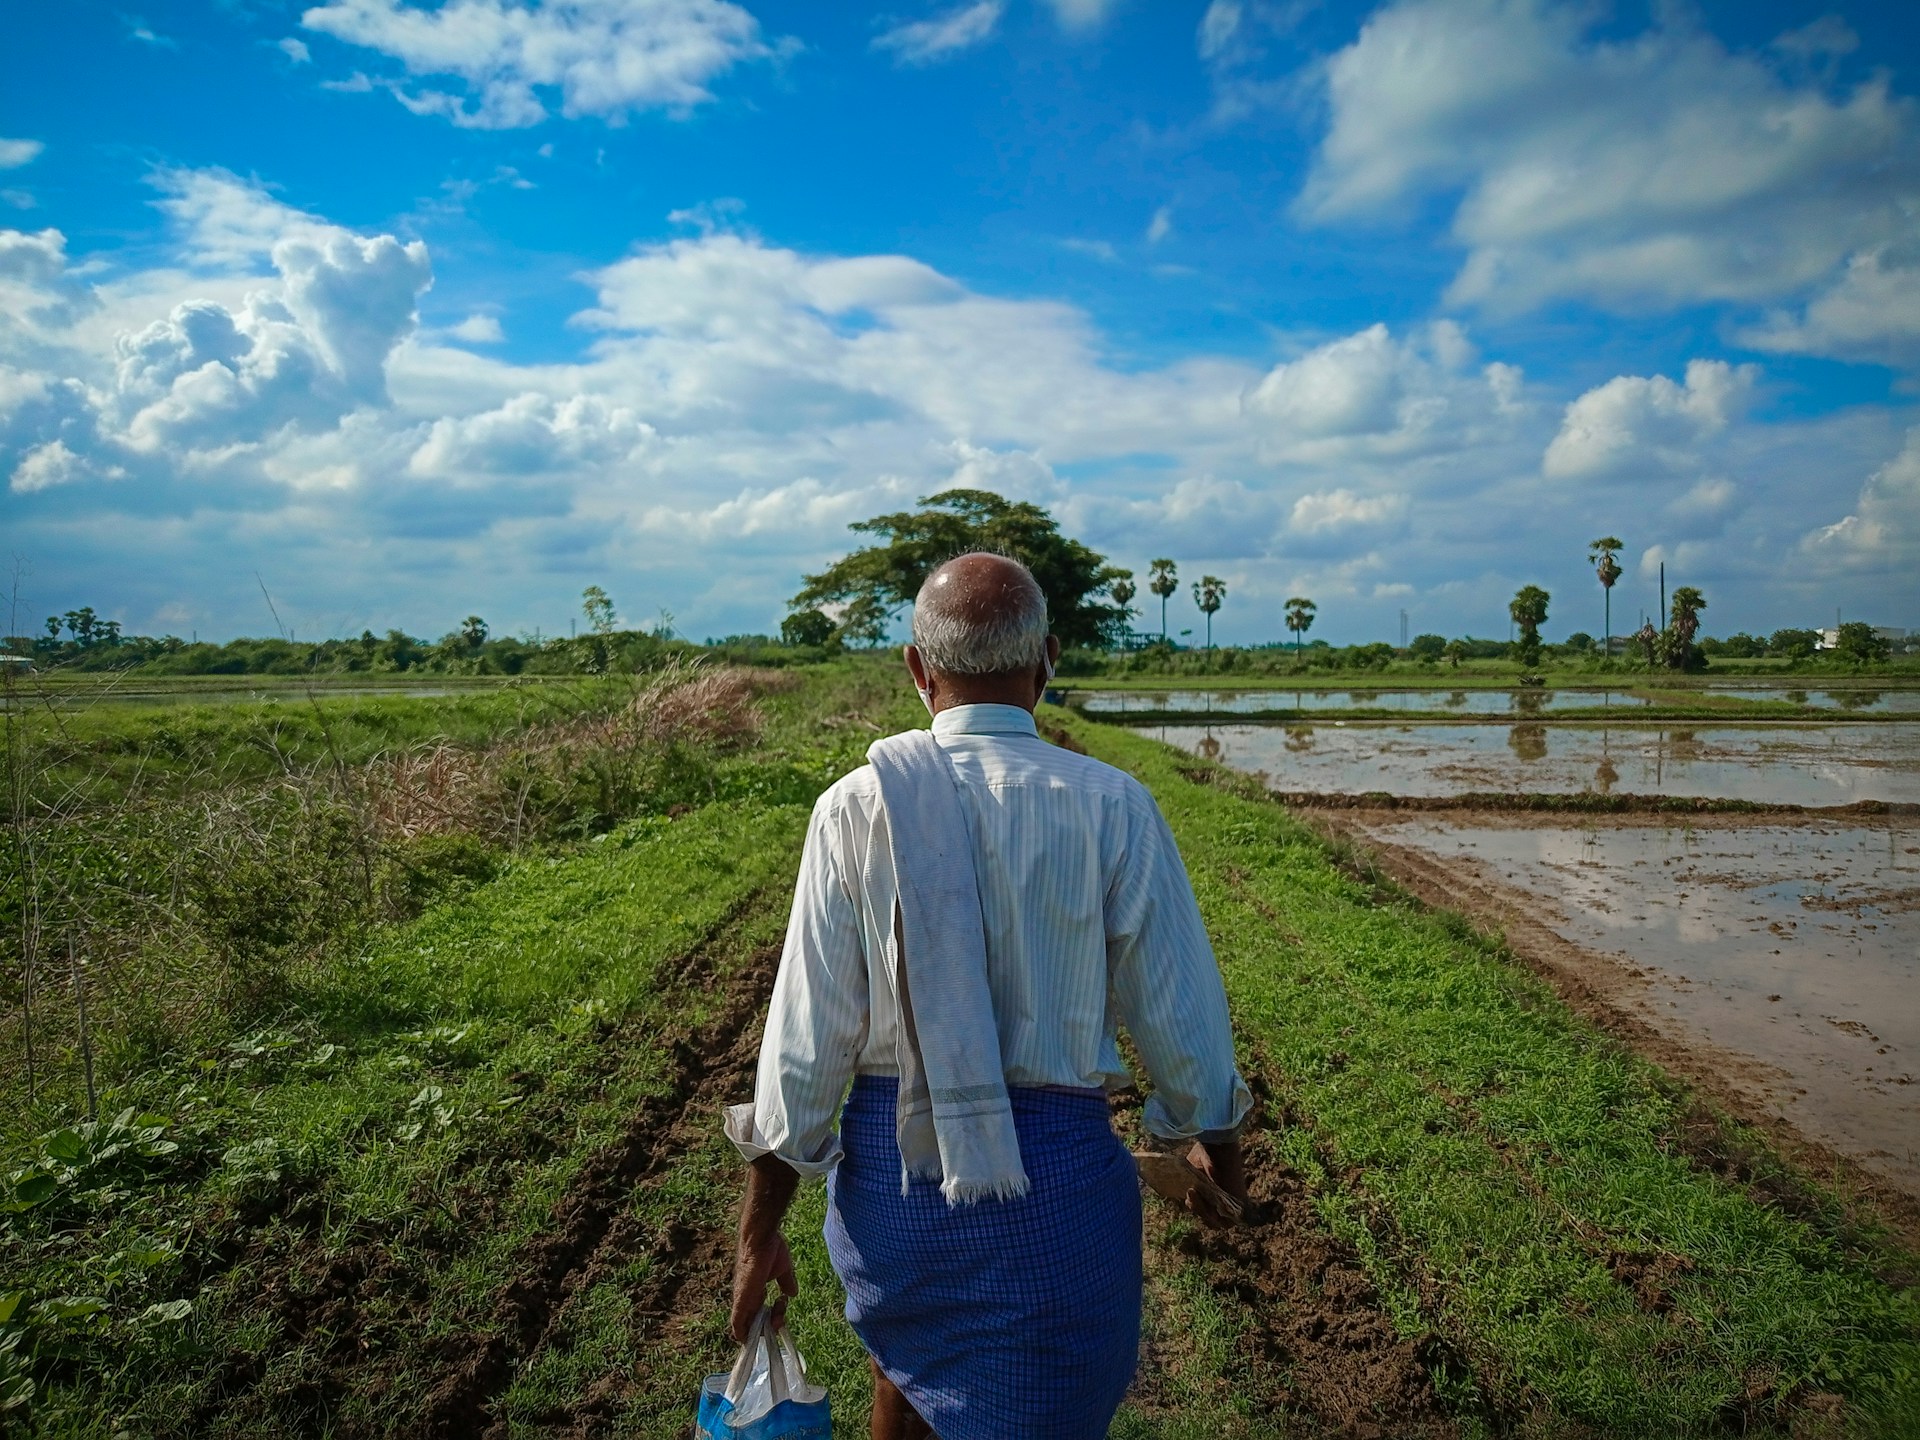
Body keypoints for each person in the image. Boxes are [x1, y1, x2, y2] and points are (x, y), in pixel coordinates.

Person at [724, 552, 1250, 1440]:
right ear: (1047, 661)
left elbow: (806, 1055)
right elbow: (1181, 1016)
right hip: (1058, 1202)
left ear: (918, 670)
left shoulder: (854, 808)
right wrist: (1212, 1143)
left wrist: (756, 1235)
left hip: (897, 1203)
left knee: (906, 1374)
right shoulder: (1113, 805)